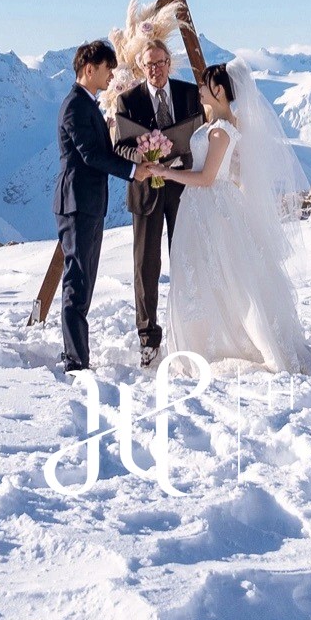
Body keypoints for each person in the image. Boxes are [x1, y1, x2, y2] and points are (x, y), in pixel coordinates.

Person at [137, 59, 311, 372]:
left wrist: (167, 173)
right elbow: (222, 171)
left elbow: (209, 178)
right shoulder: (218, 126)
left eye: (206, 84)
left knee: (221, 274)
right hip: (204, 206)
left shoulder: (221, 131)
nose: (201, 89)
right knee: (211, 273)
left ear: (219, 89)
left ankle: (221, 342)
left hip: (209, 207)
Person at [112, 26, 201, 369]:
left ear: (169, 63)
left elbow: (201, 134)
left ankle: (190, 329)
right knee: (146, 267)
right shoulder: (128, 100)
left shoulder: (189, 94)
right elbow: (120, 144)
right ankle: (148, 339)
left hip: (182, 189)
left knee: (187, 261)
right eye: (149, 65)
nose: (155, 70)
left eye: (160, 63)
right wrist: (145, 158)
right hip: (146, 192)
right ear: (141, 66)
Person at [52, 39, 133, 373]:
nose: (111, 75)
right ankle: (74, 358)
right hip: (77, 204)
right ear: (89, 69)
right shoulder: (75, 107)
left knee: (84, 278)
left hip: (88, 204)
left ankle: (77, 354)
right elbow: (91, 155)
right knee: (78, 279)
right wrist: (132, 170)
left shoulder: (87, 105)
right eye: (106, 69)